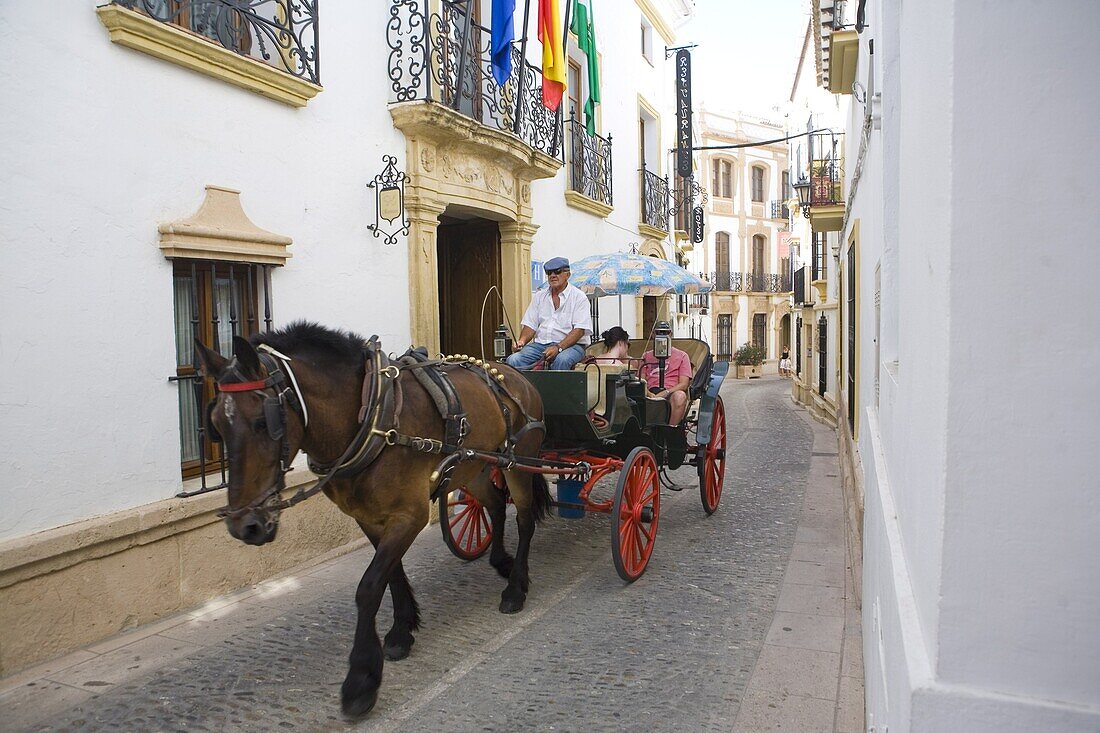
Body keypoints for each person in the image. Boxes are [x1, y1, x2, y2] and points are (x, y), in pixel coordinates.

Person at [506, 257, 592, 371]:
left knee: (562, 360)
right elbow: (530, 324)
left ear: (568, 274)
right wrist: (521, 341)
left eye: (557, 272)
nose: (552, 275)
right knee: (513, 360)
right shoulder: (539, 296)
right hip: (541, 345)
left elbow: (579, 330)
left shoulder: (579, 297)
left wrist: (558, 347)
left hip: (572, 346)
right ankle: (525, 389)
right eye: (549, 273)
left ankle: (556, 389)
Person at [640, 332, 693, 425]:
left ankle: (671, 430)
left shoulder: (682, 356)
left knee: (680, 397)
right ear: (653, 335)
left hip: (672, 391)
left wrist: (666, 393)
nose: (662, 336)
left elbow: (684, 384)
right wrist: (648, 393)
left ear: (671, 334)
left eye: (665, 333)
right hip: (650, 392)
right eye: (658, 333)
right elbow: (641, 380)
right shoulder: (646, 356)